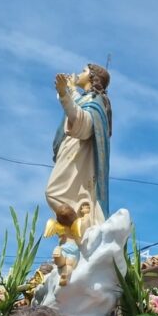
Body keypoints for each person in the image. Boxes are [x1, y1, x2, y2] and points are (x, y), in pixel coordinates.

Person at [46, 64, 111, 226]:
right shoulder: (86, 99)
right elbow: (78, 103)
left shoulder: (96, 102)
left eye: (84, 71)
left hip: (79, 153)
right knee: (61, 196)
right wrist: (70, 89)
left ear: (92, 76)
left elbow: (85, 122)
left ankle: (77, 228)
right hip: (70, 149)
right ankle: (71, 233)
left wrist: (63, 94)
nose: (79, 73)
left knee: (54, 193)